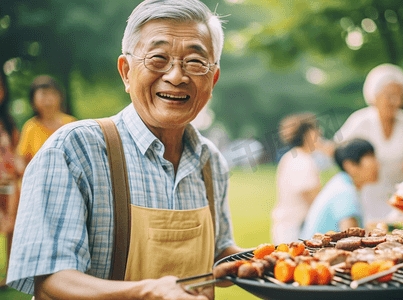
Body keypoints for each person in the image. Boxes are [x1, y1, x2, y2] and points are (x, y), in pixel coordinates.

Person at [7, 1, 243, 299]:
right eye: (158, 58)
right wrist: (147, 291)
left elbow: (219, 253)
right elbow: (52, 275)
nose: (176, 76)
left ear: (213, 79)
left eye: (195, 62)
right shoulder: (75, 149)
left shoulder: (211, 161)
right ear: (126, 72)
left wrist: (269, 259)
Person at [334, 63, 403, 226]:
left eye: (400, 96)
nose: (396, 102)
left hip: (399, 199)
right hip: (366, 196)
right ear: (374, 96)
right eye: (389, 96)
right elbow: (337, 150)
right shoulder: (360, 120)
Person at [300, 138, 378, 239]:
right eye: (371, 158)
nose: (377, 164)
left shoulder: (342, 182)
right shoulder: (345, 192)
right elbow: (352, 241)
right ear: (350, 166)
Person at [271, 113, 323, 244]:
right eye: (316, 130)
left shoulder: (293, 156)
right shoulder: (302, 161)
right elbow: (311, 197)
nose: (320, 133)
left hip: (288, 228)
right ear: (308, 134)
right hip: (295, 231)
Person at [16, 75, 77, 165]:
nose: (49, 99)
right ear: (33, 101)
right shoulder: (31, 126)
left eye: (53, 93)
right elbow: (20, 158)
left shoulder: (71, 123)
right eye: (44, 94)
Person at [0, 68, 24, 288]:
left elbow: (15, 150)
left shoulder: (8, 120)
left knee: (11, 227)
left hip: (8, 181)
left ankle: (9, 276)